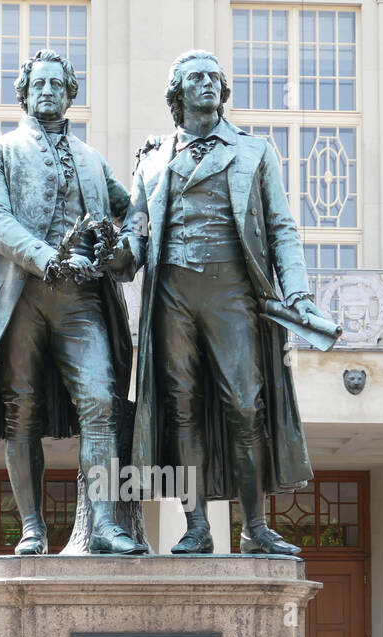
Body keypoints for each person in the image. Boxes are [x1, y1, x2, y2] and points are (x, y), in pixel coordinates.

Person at [115, 49, 328, 554]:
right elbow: (137, 233)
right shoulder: (152, 157)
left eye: (215, 77)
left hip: (233, 294)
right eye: (196, 78)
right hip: (171, 297)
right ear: (177, 93)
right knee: (182, 409)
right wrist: (118, 251)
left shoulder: (255, 152)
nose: (208, 84)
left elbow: (281, 229)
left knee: (245, 405)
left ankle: (254, 527)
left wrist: (297, 293)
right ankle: (197, 527)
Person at [0, 49, 143, 555]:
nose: (47, 92)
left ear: (71, 95)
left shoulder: (93, 160)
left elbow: (134, 211)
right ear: (23, 94)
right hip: (20, 295)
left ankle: (106, 525)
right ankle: (32, 528)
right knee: (20, 411)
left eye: (57, 85)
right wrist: (48, 258)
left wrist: (123, 250)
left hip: (82, 301)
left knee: (101, 404)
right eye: (38, 85)